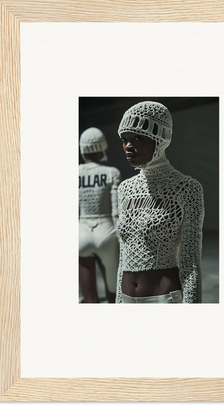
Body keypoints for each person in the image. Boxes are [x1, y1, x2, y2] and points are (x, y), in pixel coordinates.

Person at [115, 101, 205, 303]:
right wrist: (118, 300)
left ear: (161, 139)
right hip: (127, 297)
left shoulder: (186, 188)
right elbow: (123, 256)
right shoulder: (125, 189)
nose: (129, 145)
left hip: (163, 298)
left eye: (138, 138)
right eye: (124, 139)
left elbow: (190, 260)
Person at [79, 127, 121, 303]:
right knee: (114, 294)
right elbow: (116, 211)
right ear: (102, 147)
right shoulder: (112, 172)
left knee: (89, 300)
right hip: (107, 232)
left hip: (81, 232)